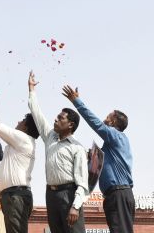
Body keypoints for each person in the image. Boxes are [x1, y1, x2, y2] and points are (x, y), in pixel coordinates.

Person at [62, 85, 134, 233]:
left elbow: (94, 122)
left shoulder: (115, 135)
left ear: (113, 123)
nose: (105, 119)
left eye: (108, 116)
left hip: (118, 194)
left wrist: (77, 102)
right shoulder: (112, 145)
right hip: (116, 195)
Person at [28, 71, 88, 233]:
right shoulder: (50, 137)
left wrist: (75, 207)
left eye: (60, 118)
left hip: (69, 195)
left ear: (70, 125)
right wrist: (31, 90)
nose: (55, 119)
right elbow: (37, 114)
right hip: (51, 195)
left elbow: (82, 182)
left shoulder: (77, 148)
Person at [0, 88, 39, 233]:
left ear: (26, 127)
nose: (18, 121)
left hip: (15, 196)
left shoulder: (23, 138)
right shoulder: (20, 142)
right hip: (13, 195)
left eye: (22, 120)